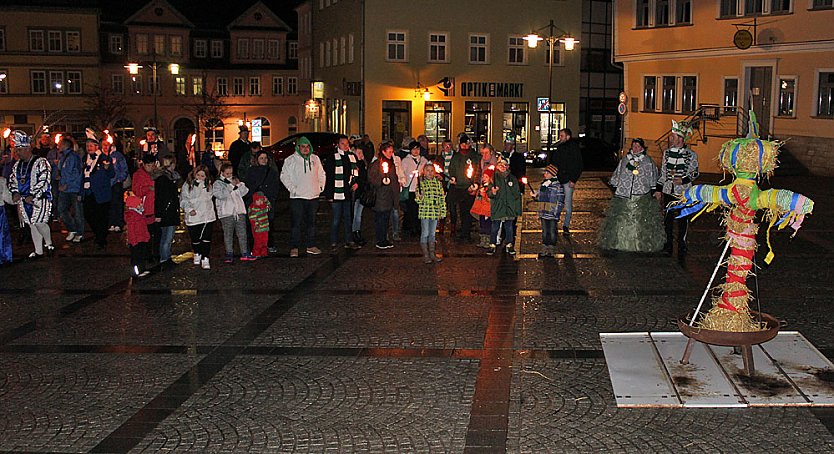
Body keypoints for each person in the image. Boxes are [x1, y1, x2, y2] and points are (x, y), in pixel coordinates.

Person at [600, 138, 665, 253]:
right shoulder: (625, 160)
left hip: (640, 195)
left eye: (637, 146)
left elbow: (652, 175)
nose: (635, 148)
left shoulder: (647, 161)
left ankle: (637, 245)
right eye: (633, 145)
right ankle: (621, 243)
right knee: (623, 219)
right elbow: (618, 173)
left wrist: (655, 189)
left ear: (642, 148)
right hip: (624, 194)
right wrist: (615, 184)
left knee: (638, 220)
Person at [656, 121, 699, 255]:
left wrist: (683, 180)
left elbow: (695, 172)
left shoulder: (691, 154)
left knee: (682, 219)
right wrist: (658, 189)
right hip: (669, 190)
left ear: (680, 139)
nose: (671, 139)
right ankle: (668, 243)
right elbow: (663, 172)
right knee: (667, 218)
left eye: (674, 137)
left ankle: (681, 243)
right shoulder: (667, 153)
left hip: (683, 192)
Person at [9, 131, 54, 259]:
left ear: (28, 148)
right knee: (32, 224)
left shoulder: (41, 162)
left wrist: (33, 195)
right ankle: (38, 250)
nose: (18, 153)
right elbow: (13, 180)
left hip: (40, 198)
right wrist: (15, 192)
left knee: (39, 222)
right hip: (24, 200)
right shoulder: (17, 165)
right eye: (17, 150)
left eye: (20, 150)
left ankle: (49, 244)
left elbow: (44, 179)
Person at [280, 137, 326, 257]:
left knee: (311, 223)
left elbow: (321, 174)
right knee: (296, 223)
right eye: (303, 146)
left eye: (307, 146)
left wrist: (320, 187)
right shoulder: (290, 160)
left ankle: (310, 245)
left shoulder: (315, 159)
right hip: (297, 198)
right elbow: (284, 176)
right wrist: (293, 189)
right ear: (298, 147)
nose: (305, 149)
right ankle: (294, 247)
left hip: (313, 196)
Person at [323, 135, 361, 250]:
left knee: (348, 217)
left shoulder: (352, 157)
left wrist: (356, 182)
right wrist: (329, 194)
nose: (345, 146)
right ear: (338, 145)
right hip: (336, 192)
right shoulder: (332, 158)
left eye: (347, 144)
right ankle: (333, 241)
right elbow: (329, 177)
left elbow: (357, 173)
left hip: (348, 192)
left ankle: (349, 240)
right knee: (336, 218)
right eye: (342, 144)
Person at [214, 163, 257, 263]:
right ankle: (229, 253)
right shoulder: (218, 183)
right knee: (228, 234)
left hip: (239, 211)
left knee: (242, 233)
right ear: (222, 173)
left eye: (231, 173)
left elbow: (244, 192)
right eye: (227, 173)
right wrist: (230, 187)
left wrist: (239, 184)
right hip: (227, 213)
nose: (229, 175)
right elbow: (220, 195)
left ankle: (245, 252)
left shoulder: (234, 181)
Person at [81, 131, 115, 249]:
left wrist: (107, 168)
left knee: (101, 217)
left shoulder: (104, 158)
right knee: (88, 215)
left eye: (91, 146)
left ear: (96, 147)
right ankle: (99, 235)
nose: (88, 148)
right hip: (88, 192)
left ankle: (101, 239)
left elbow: (112, 174)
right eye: (87, 146)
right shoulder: (85, 159)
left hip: (101, 193)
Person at [244, 150, 281, 253]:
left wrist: (269, 198)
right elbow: (247, 185)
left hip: (267, 201)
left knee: (268, 224)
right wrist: (253, 198)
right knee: (254, 225)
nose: (264, 160)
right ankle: (254, 246)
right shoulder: (251, 171)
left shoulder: (272, 172)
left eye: (265, 158)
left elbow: (275, 187)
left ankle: (268, 244)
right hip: (254, 202)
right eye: (261, 158)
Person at [180, 165, 217, 269]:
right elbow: (184, 199)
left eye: (203, 176)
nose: (200, 177)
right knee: (195, 238)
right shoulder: (188, 185)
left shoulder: (209, 185)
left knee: (206, 238)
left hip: (207, 216)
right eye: (199, 175)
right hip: (194, 216)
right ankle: (197, 252)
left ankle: (205, 257)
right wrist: (189, 209)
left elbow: (210, 197)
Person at [447, 133, 480, 242]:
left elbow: (477, 170)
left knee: (469, 211)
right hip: (459, 187)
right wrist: (453, 177)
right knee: (462, 210)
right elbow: (452, 169)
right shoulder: (456, 157)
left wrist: (475, 183)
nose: (464, 147)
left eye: (466, 145)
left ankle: (467, 231)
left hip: (470, 187)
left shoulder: (474, 156)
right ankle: (464, 232)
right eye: (463, 145)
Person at [549, 128, 582, 235]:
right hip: (559, 180)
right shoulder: (559, 148)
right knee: (556, 203)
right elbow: (554, 163)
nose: (560, 137)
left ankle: (566, 225)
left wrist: (573, 179)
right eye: (560, 136)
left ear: (568, 137)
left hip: (568, 181)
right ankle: (554, 223)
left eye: (562, 136)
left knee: (567, 204)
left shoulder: (574, 148)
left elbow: (578, 165)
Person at [367, 141, 399, 249]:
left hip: (389, 196)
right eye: (389, 151)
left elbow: (393, 179)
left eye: (392, 151)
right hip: (381, 196)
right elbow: (371, 178)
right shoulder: (377, 164)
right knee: (380, 218)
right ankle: (380, 239)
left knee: (386, 218)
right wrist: (381, 181)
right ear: (383, 152)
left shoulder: (391, 163)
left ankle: (384, 238)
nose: (391, 153)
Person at [487, 157, 521, 256]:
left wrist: (517, 208)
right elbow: (489, 192)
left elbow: (516, 194)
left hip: (509, 207)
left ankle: (509, 244)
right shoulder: (493, 178)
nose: (503, 167)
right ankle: (492, 244)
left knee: (509, 227)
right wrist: (492, 192)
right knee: (495, 227)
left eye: (505, 165)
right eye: (500, 165)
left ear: (508, 166)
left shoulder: (512, 178)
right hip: (498, 206)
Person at [532, 164, 565, 258]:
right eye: (545, 172)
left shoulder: (558, 186)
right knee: (545, 231)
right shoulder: (543, 185)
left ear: (552, 174)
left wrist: (556, 212)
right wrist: (535, 196)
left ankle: (551, 249)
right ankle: (545, 249)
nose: (545, 174)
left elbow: (560, 200)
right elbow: (540, 198)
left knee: (551, 231)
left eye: (547, 172)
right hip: (543, 212)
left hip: (552, 213)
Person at [56, 136, 84, 243]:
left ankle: (79, 233)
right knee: (61, 209)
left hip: (73, 188)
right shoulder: (63, 156)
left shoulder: (73, 157)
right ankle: (72, 228)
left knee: (77, 211)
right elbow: (63, 171)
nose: (58, 146)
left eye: (60, 144)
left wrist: (66, 184)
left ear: (64, 145)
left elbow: (76, 173)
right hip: (64, 188)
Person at [416, 162, 446, 263]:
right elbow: (418, 199)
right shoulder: (421, 183)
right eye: (427, 171)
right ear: (423, 172)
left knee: (432, 233)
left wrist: (442, 211)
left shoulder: (438, 183)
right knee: (425, 233)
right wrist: (420, 197)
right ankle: (426, 254)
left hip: (434, 211)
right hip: (425, 211)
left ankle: (432, 253)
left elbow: (441, 198)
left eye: (431, 171)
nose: (430, 173)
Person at [154, 155, 180, 266]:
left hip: (170, 210)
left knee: (166, 237)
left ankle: (166, 257)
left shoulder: (171, 178)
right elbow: (160, 198)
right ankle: (164, 259)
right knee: (167, 237)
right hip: (167, 211)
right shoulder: (164, 179)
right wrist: (158, 214)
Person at [133, 154, 158, 262]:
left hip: (156, 208)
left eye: (152, 165)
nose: (151, 167)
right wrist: (148, 188)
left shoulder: (156, 173)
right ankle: (148, 255)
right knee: (146, 235)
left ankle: (156, 254)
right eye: (148, 165)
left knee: (156, 234)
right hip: (145, 209)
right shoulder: (138, 175)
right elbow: (136, 191)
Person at [400, 140, 428, 238]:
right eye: (414, 149)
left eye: (418, 149)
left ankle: (419, 228)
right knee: (411, 210)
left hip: (421, 189)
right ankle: (412, 228)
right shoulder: (405, 161)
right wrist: (403, 181)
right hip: (411, 189)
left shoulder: (424, 160)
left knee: (420, 209)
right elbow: (401, 173)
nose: (416, 151)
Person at [124, 192, 151, 277]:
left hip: (142, 238)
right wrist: (133, 241)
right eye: (139, 204)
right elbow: (131, 231)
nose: (141, 205)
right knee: (136, 257)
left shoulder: (140, 214)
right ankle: (136, 272)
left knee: (141, 255)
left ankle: (142, 269)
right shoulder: (132, 216)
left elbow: (144, 227)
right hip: (136, 241)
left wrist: (146, 236)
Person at [107, 134, 129, 232]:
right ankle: (111, 222)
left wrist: (120, 179)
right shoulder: (105, 156)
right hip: (108, 184)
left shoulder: (118, 156)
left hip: (116, 183)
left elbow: (124, 169)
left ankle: (118, 222)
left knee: (117, 203)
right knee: (111, 203)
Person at [472, 166, 494, 248]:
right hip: (481, 211)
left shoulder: (491, 188)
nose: (484, 178)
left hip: (488, 211)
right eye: (483, 176)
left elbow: (491, 199)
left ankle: (488, 241)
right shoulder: (482, 187)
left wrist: (484, 194)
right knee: (482, 226)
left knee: (488, 226)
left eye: (486, 177)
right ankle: (482, 240)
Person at [350, 144, 369, 246]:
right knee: (355, 215)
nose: (361, 155)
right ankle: (354, 232)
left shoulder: (362, 164)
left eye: (361, 153)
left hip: (361, 193)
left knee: (359, 215)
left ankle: (357, 231)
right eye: (359, 153)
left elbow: (364, 178)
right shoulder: (354, 164)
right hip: (356, 193)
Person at [248, 192, 270, 258]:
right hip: (258, 228)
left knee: (264, 241)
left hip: (265, 227)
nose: (260, 202)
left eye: (261, 200)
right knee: (258, 242)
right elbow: (252, 218)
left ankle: (264, 253)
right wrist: (256, 225)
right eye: (258, 200)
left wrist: (267, 201)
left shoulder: (264, 206)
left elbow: (269, 207)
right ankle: (256, 253)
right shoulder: (253, 207)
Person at [0, 173, 13, 265]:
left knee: (2, 235)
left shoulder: (1, 180)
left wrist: (17, 199)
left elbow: (7, 197)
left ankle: (4, 256)